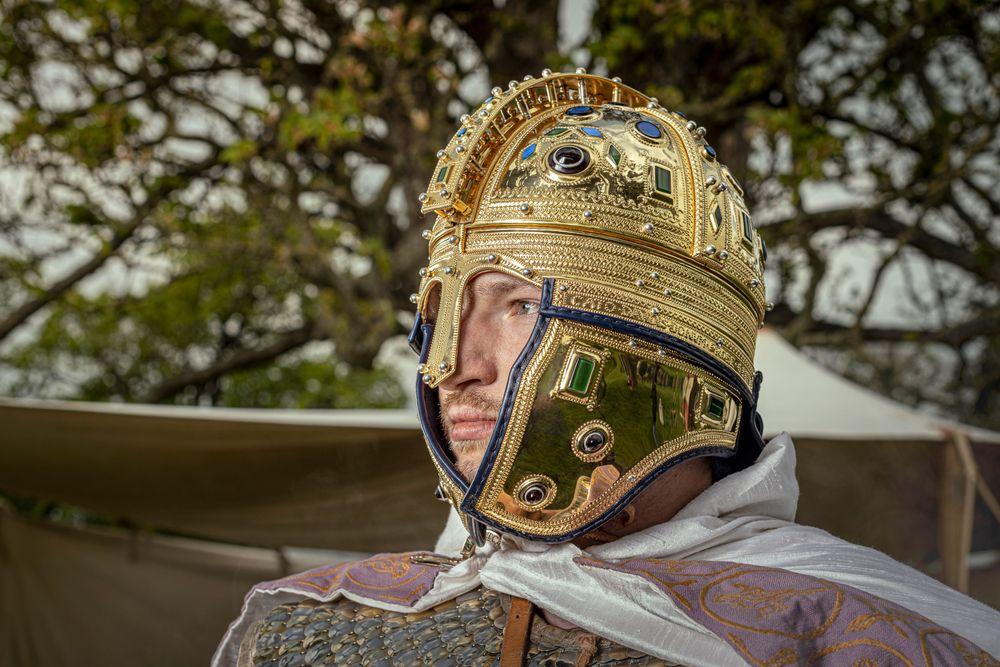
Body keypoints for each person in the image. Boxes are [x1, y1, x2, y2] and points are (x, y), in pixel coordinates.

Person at [214, 70, 1000, 666]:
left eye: (517, 305)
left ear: (659, 353)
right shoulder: (317, 627)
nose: (454, 367)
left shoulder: (869, 633)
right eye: (444, 313)